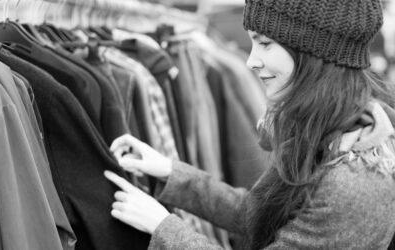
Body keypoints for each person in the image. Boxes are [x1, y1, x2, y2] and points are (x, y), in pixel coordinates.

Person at [104, 0, 395, 249]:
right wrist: (171, 173)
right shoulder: (326, 131)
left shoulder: (354, 182)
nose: (251, 61)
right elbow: (261, 215)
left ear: (314, 52)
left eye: (265, 43)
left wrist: (163, 226)